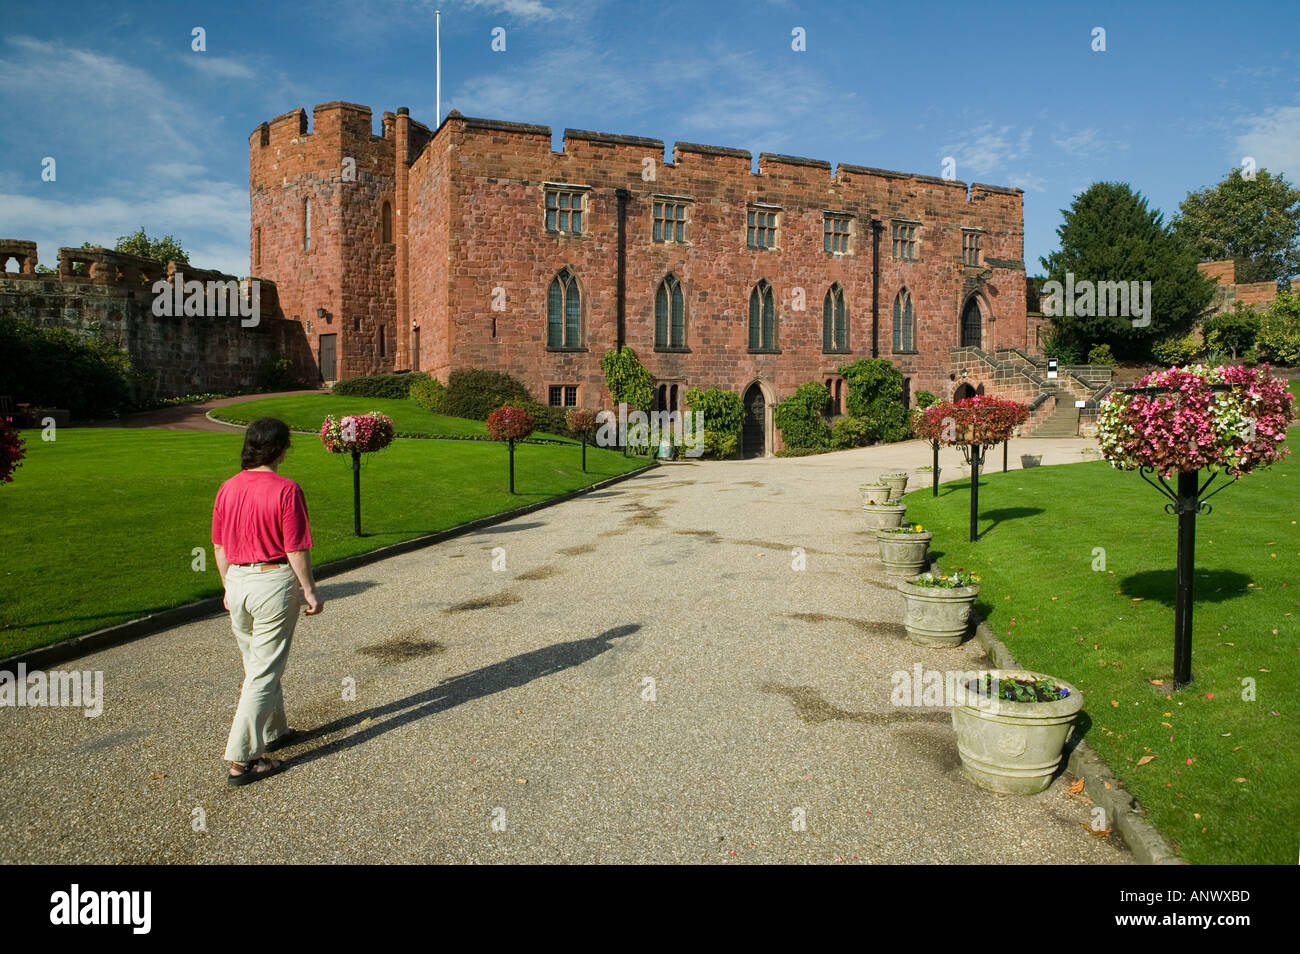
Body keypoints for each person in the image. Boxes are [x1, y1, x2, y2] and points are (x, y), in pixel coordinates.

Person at [211, 417, 323, 785]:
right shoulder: (286, 489)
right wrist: (309, 589)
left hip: (239, 581)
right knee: (263, 672)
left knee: (256, 665)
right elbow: (295, 546)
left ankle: (275, 732)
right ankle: (241, 760)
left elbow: (219, 545)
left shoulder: (227, 487)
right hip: (272, 581)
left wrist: (228, 585)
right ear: (280, 448)